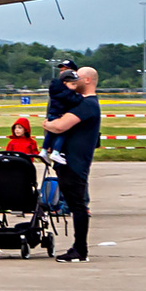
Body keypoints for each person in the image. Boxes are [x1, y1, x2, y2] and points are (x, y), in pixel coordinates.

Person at [44, 67, 104, 262]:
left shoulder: (87, 105)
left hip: (75, 163)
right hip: (71, 162)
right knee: (76, 204)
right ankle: (79, 248)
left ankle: (80, 250)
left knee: (77, 206)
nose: (73, 79)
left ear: (87, 80)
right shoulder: (82, 103)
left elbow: (60, 125)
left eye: (77, 77)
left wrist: (47, 124)